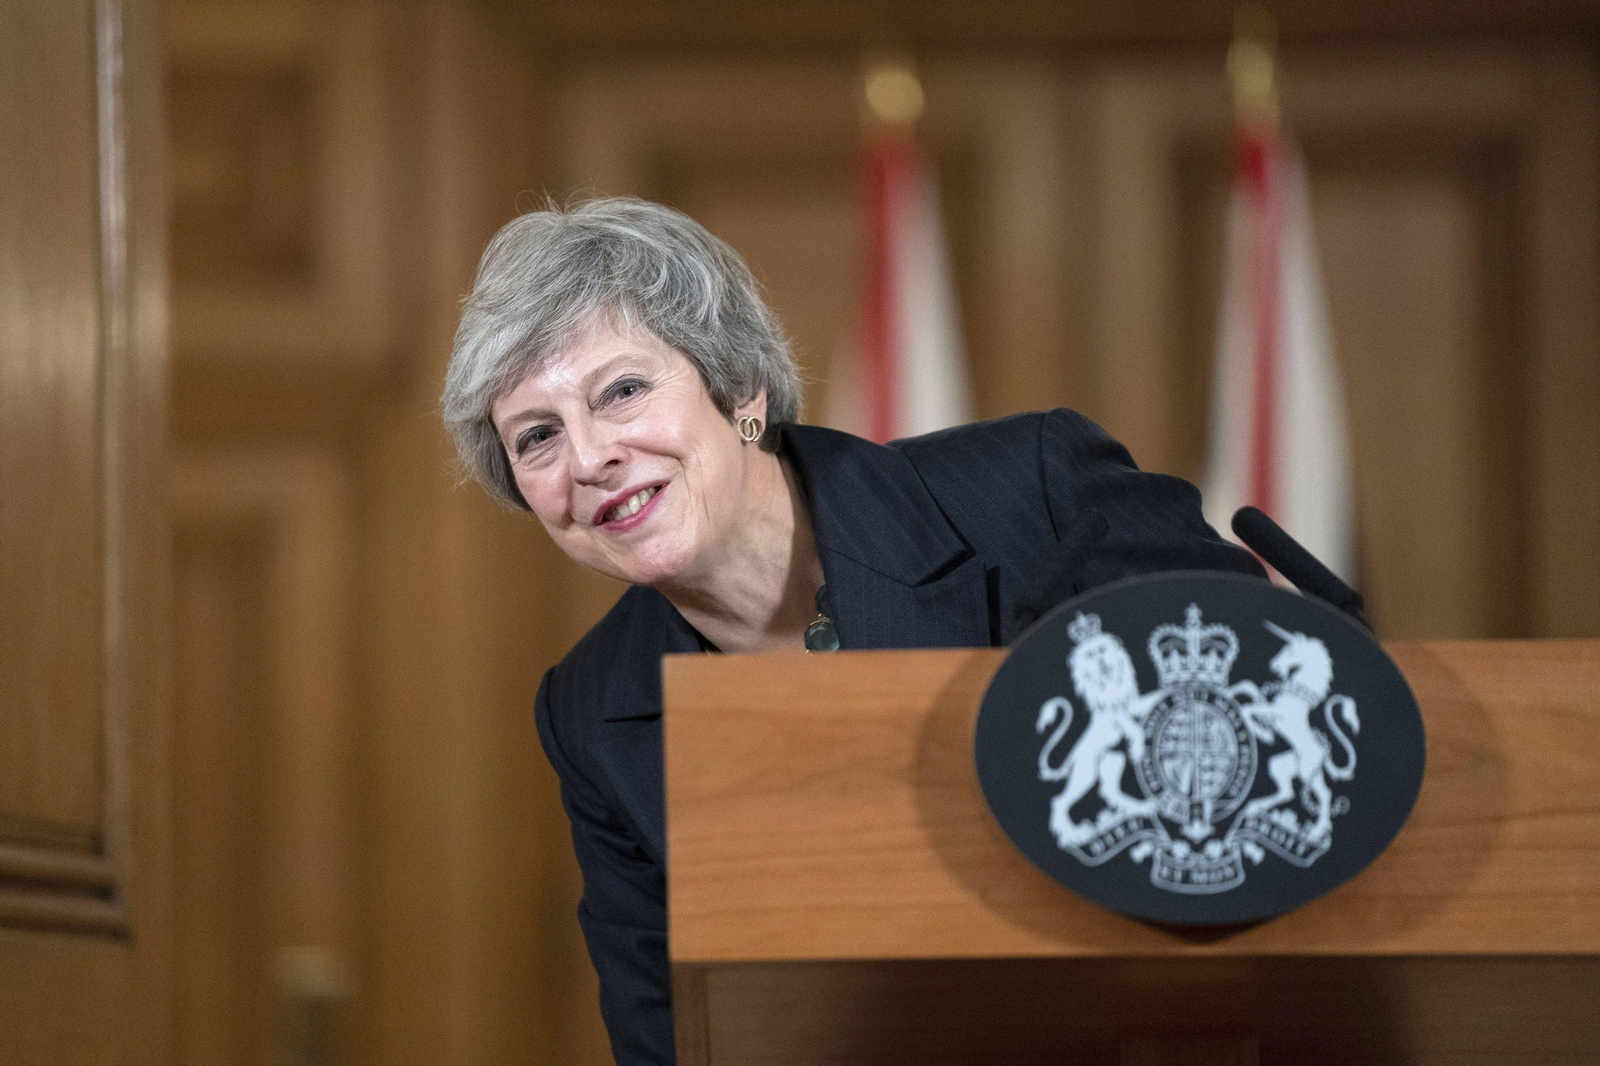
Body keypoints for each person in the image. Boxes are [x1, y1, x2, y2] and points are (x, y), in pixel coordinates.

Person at [440, 197, 1264, 1065]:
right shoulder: (592, 708)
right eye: (537, 438)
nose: (587, 457)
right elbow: (668, 1037)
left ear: (740, 391)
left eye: (624, 391)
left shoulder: (1033, 493)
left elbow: (1286, 766)